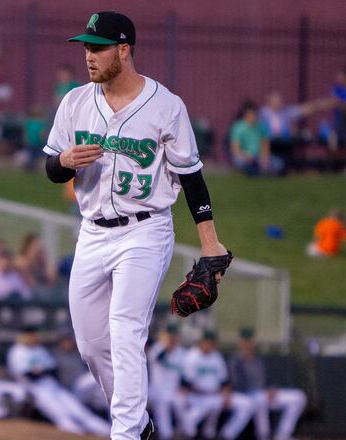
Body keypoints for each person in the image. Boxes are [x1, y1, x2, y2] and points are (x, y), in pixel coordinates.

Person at [42, 10, 230, 440]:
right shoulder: (74, 102)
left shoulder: (165, 106)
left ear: (123, 50)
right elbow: (52, 168)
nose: (88, 56)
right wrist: (63, 162)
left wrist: (210, 244)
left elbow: (192, 177)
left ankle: (124, 434)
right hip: (91, 232)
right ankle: (139, 424)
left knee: (126, 329)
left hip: (145, 231)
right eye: (86, 47)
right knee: (92, 346)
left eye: (98, 48)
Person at [7, 327, 111, 437]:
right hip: (34, 389)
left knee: (78, 410)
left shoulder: (39, 349)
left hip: (51, 385)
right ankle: (77, 434)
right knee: (59, 413)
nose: (33, 337)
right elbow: (28, 375)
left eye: (33, 335)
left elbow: (52, 369)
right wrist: (41, 371)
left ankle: (106, 431)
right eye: (30, 335)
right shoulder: (17, 352)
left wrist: (40, 371)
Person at [230, 328, 307, 440]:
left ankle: (283, 435)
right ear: (240, 343)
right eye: (245, 341)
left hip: (266, 393)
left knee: (299, 397)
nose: (248, 344)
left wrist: (271, 388)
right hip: (250, 395)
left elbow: (269, 378)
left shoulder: (259, 358)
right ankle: (263, 435)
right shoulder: (236, 360)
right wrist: (259, 391)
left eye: (250, 341)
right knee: (260, 400)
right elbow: (238, 384)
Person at [178, 330, 255, 440]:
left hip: (215, 396)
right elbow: (187, 384)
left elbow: (224, 381)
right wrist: (208, 393)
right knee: (189, 420)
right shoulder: (192, 356)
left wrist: (226, 394)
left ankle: (227, 434)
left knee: (247, 404)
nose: (210, 345)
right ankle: (185, 435)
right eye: (207, 342)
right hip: (197, 397)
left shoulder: (216, 357)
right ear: (201, 342)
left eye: (212, 342)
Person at [147, 323, 186, 440]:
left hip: (174, 391)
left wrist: (184, 388)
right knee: (162, 401)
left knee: (182, 403)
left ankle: (185, 433)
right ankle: (166, 435)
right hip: (155, 390)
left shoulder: (181, 352)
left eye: (174, 336)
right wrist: (167, 346)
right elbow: (157, 358)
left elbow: (184, 376)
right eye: (170, 336)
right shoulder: (157, 348)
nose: (172, 339)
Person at [54, 330, 109, 412]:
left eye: (69, 341)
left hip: (86, 386)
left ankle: (110, 418)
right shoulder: (56, 356)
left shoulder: (77, 353)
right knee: (99, 378)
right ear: (61, 343)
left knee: (104, 395)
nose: (68, 343)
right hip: (73, 388)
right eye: (65, 341)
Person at [230, 100, 283, 176]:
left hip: (258, 157)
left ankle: (261, 171)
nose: (254, 116)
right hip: (245, 157)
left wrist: (264, 157)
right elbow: (235, 149)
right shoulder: (238, 127)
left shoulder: (261, 126)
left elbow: (265, 145)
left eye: (255, 114)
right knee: (240, 161)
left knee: (278, 163)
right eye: (252, 114)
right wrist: (246, 156)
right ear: (246, 114)